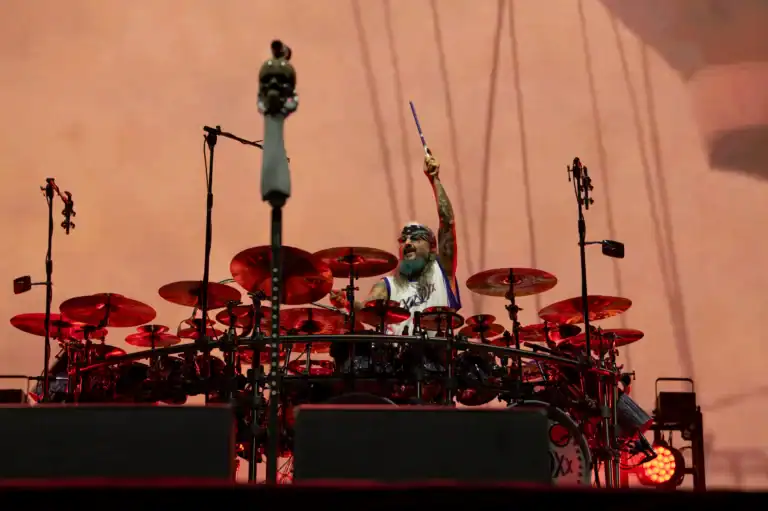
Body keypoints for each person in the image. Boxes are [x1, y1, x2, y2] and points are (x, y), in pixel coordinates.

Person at [330, 153, 461, 334]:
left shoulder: (442, 269)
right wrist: (346, 303)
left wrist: (435, 180)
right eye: (403, 240)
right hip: (398, 352)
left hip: (439, 351)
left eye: (415, 238)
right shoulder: (387, 285)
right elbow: (367, 313)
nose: (407, 242)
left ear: (432, 247)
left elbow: (447, 222)